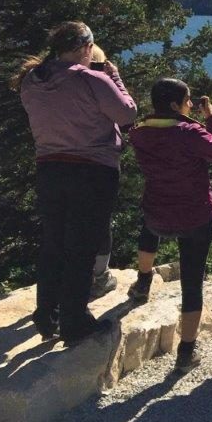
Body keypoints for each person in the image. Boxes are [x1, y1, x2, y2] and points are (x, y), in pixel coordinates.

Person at [15, 21, 137, 344]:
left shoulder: (32, 80)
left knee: (53, 242)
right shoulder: (91, 79)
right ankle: (75, 322)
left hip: (49, 169)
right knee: (81, 247)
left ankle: (46, 315)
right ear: (86, 48)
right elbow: (127, 113)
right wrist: (115, 77)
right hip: (92, 171)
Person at [127, 78, 212, 374]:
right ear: (176, 105)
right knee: (192, 280)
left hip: (157, 213)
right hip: (194, 215)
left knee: (147, 225)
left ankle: (143, 282)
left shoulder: (140, 133)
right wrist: (211, 118)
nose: (190, 106)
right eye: (187, 101)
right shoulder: (188, 133)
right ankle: (186, 351)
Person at [87, 43, 118, 301]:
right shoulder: (100, 84)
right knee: (100, 220)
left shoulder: (64, 86)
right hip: (100, 162)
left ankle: (75, 274)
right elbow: (127, 112)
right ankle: (99, 275)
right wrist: (114, 78)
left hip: (63, 163)